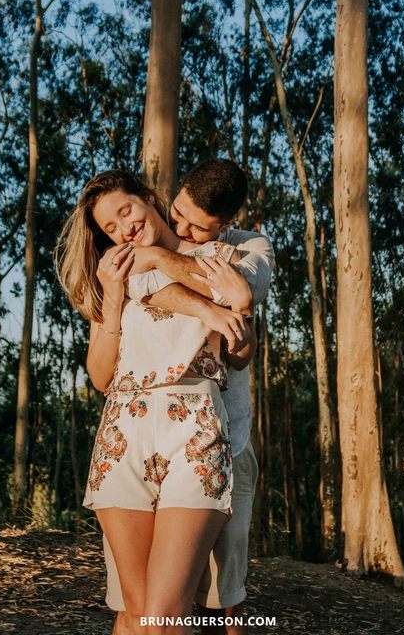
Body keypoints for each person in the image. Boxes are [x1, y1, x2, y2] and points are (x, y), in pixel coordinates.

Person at [56, 170, 255, 635]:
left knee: (164, 617)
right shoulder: (112, 274)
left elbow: (241, 350)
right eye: (110, 227)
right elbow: (100, 376)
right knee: (136, 611)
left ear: (149, 198)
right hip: (123, 434)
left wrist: (238, 309)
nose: (123, 229)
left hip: (195, 430)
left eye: (125, 211)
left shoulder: (216, 257)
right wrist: (112, 298)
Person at [103, 159, 273, 635]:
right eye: (178, 213)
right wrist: (212, 295)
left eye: (198, 227)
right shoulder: (149, 241)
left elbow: (245, 295)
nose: (181, 229)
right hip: (142, 444)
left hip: (225, 442)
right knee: (141, 608)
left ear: (228, 222)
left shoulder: (250, 247)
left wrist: (165, 262)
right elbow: (141, 283)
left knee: (221, 605)